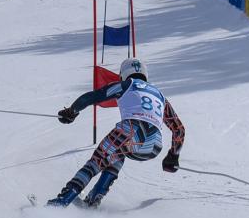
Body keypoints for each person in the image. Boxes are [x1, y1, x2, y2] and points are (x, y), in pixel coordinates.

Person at [46, 57, 184, 209]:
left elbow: (92, 97)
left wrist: (71, 111)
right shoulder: (160, 96)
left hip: (131, 131)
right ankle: (94, 198)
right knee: (117, 154)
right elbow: (179, 129)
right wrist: (173, 156)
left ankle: (62, 201)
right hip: (153, 145)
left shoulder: (126, 85)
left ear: (123, 74)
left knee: (96, 162)